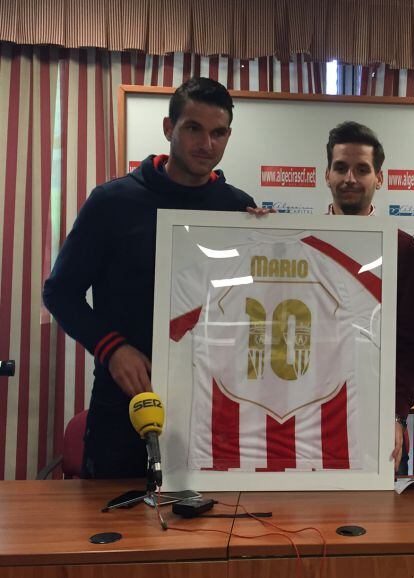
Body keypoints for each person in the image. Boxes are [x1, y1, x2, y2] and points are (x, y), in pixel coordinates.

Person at [43, 77, 256, 479]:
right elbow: (60, 292)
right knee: (116, 535)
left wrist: (275, 242)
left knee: (209, 533)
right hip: (125, 403)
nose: (206, 143)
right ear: (168, 128)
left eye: (218, 132)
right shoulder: (112, 202)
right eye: (193, 128)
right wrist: (112, 349)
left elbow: (248, 302)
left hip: (213, 406)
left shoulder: (238, 208)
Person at [256, 120, 414, 473]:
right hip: (304, 418)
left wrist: (395, 417)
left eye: (362, 169)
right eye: (341, 167)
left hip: (376, 419)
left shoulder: (402, 248)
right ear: (326, 175)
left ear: (379, 177)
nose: (350, 178)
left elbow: (410, 345)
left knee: (382, 526)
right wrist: (255, 233)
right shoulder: (293, 244)